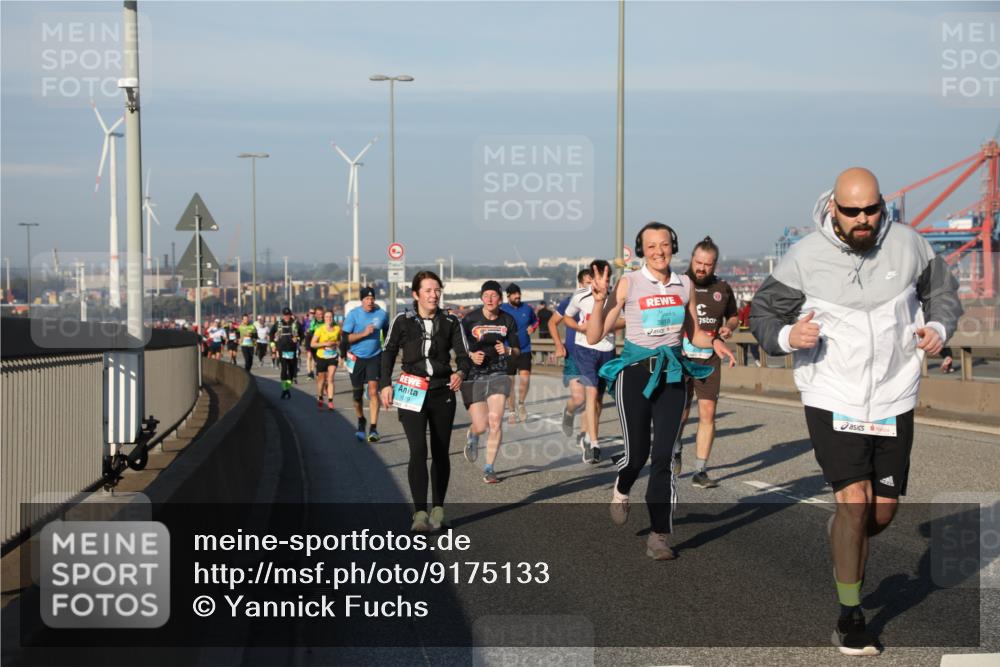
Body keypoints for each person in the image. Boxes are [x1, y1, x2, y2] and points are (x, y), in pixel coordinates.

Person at [750, 167, 961, 656]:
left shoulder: (912, 246)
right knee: (855, 503)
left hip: (894, 396)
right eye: (853, 211)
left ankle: (845, 537)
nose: (864, 219)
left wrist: (939, 329)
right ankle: (850, 617)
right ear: (833, 209)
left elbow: (944, 297)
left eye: (873, 209)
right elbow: (762, 313)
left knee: (882, 514)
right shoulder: (804, 257)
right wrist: (786, 337)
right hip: (831, 395)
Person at [586, 222, 735, 561]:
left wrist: (715, 342)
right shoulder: (630, 282)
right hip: (635, 375)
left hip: (672, 374)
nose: (658, 251)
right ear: (642, 250)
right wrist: (599, 303)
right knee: (637, 455)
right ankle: (622, 489)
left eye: (664, 244)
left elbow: (694, 332)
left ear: (673, 246)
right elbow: (595, 336)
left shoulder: (684, 285)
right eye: (651, 245)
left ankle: (658, 536)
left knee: (664, 458)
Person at [380, 271, 471, 532]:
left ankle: (438, 510)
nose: (434, 294)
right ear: (416, 294)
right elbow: (388, 352)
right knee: (418, 449)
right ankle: (419, 513)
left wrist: (461, 372)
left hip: (442, 391)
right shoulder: (403, 320)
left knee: (441, 451)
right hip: (411, 389)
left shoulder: (451, 321)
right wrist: (385, 383)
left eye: (437, 290)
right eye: (428, 290)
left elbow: (464, 355)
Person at [676, 236, 739, 488]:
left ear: (715, 265)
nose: (701, 268)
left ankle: (700, 471)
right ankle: (676, 446)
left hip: (710, 358)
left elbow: (733, 316)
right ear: (691, 259)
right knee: (680, 413)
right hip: (680, 357)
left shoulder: (723, 289)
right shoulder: (678, 284)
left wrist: (728, 328)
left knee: (708, 413)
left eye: (707, 264)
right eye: (698, 262)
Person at [563, 259, 624, 464]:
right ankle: (594, 444)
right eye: (597, 276)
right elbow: (567, 317)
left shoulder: (615, 296)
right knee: (591, 392)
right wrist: (582, 328)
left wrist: (606, 325)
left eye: (606, 276)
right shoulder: (581, 295)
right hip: (585, 350)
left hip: (607, 349)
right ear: (592, 276)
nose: (601, 281)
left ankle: (590, 435)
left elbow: (626, 320)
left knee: (598, 400)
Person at [460, 280, 521, 484]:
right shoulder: (469, 320)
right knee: (482, 424)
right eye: (486, 295)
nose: (489, 299)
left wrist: (509, 351)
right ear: (481, 298)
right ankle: (473, 433)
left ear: (500, 299)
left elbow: (517, 350)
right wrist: (471, 355)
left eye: (494, 295)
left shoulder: (508, 320)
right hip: (473, 375)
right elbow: (459, 348)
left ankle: (489, 468)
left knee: (495, 422)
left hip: (498, 372)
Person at [548, 269, 591, 439]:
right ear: (580, 284)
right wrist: (559, 345)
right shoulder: (570, 301)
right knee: (579, 399)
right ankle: (569, 411)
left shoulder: (601, 302)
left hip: (593, 356)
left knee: (591, 400)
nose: (591, 285)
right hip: (573, 355)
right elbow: (552, 323)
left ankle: (585, 436)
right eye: (588, 282)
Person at [343, 287, 389, 442]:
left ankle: (374, 428)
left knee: (373, 390)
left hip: (375, 357)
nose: (370, 301)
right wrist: (363, 333)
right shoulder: (353, 315)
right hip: (357, 358)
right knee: (357, 396)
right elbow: (345, 339)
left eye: (372, 299)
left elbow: (388, 334)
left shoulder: (381, 314)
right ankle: (361, 419)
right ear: (361, 300)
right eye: (366, 299)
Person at [500, 283, 538, 423]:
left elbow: (535, 321)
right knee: (510, 382)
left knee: (525, 378)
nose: (518, 296)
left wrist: (533, 328)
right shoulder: (502, 309)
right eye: (515, 294)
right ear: (508, 296)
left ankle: (521, 404)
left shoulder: (527, 309)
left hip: (525, 349)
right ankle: (511, 411)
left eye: (519, 293)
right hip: (508, 349)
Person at [310, 309, 341, 412]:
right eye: (327, 317)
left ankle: (331, 401)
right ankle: (320, 398)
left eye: (331, 317)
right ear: (324, 318)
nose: (329, 319)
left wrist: (336, 343)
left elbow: (340, 341)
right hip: (321, 356)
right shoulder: (320, 329)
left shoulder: (337, 328)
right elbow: (312, 344)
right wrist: (325, 344)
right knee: (321, 380)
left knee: (330, 378)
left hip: (333, 356)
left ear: (333, 318)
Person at [270, 307, 303, 400]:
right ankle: (285, 389)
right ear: (283, 315)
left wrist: (298, 339)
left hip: (292, 349)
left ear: (290, 314)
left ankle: (286, 389)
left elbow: (302, 334)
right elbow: (271, 333)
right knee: (284, 370)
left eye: (288, 315)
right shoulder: (278, 323)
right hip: (282, 349)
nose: (286, 316)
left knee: (292, 371)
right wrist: (273, 344)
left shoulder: (296, 323)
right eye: (285, 315)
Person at [303, 307, 322, 379]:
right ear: (308, 313)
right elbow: (302, 329)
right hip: (308, 339)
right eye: (311, 313)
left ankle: (313, 371)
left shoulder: (317, 321)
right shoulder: (306, 321)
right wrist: (305, 332)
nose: (312, 314)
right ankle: (309, 372)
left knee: (314, 357)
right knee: (309, 356)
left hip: (316, 340)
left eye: (314, 313)